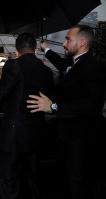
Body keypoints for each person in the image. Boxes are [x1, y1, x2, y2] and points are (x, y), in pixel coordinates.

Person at [27, 24, 106, 199]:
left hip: (82, 140)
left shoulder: (94, 67)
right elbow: (63, 65)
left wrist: (54, 106)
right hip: (67, 138)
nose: (63, 43)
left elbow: (93, 104)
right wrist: (46, 49)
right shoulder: (74, 63)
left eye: (68, 39)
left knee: (77, 185)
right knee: (69, 184)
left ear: (83, 41)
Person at [0, 32, 54, 199]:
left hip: (12, 139)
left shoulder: (13, 65)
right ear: (35, 50)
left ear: (16, 52)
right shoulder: (47, 72)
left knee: (8, 186)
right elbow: (52, 104)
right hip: (36, 138)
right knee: (34, 186)